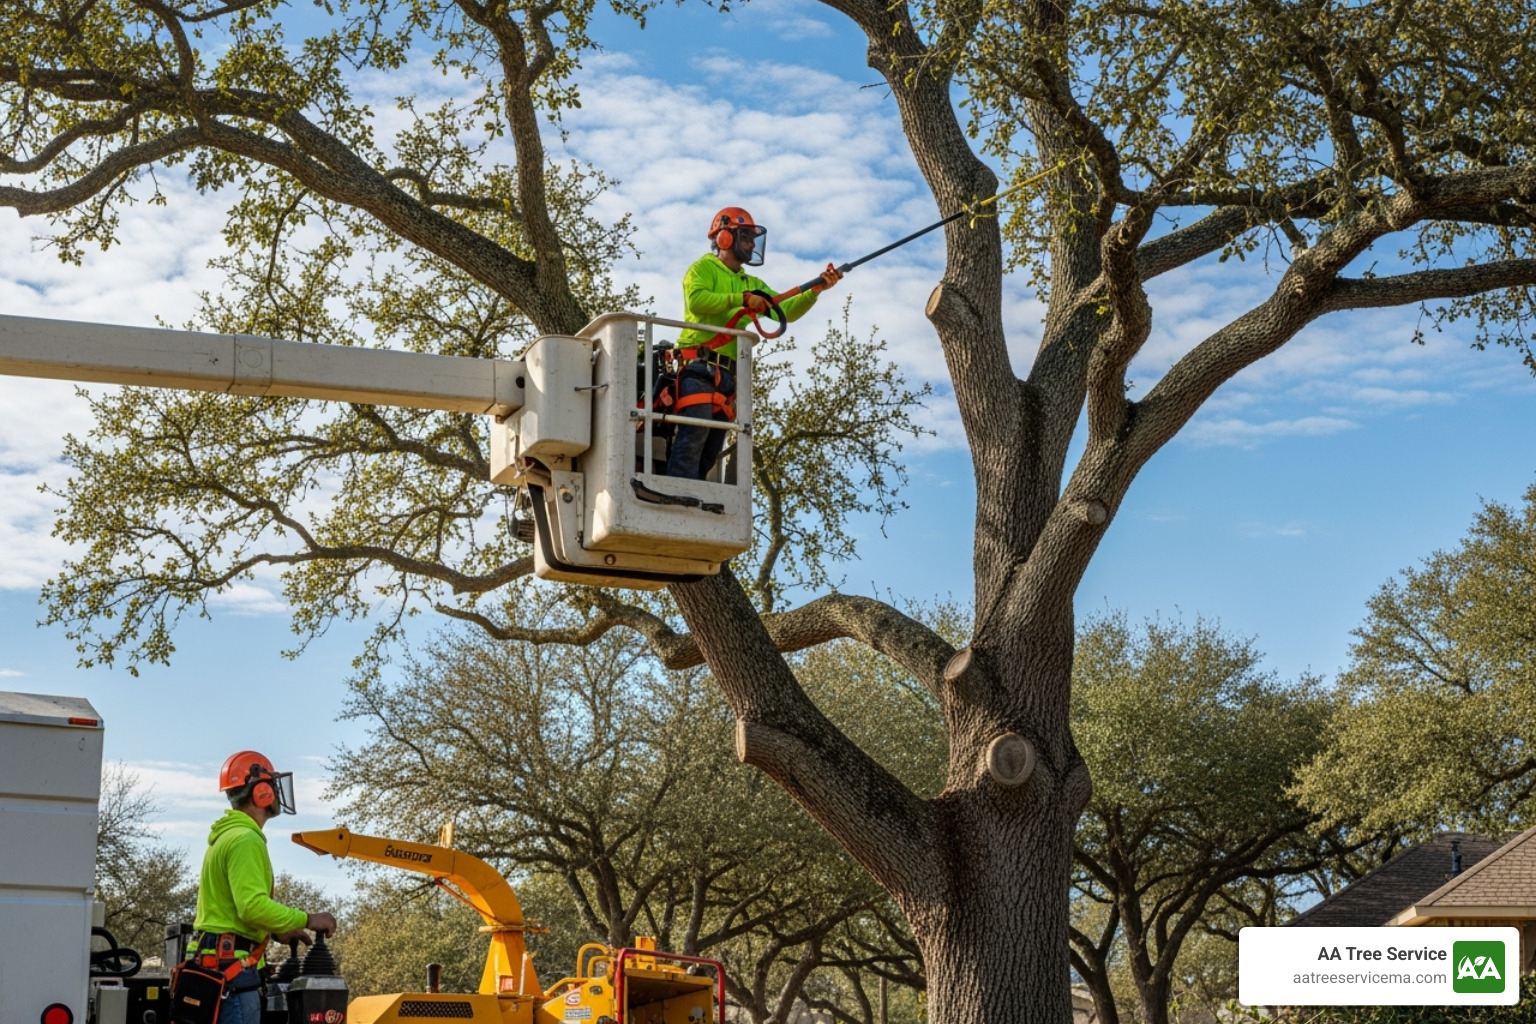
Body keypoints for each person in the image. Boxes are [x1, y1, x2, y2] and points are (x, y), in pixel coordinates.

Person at [664, 207, 842, 479]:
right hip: (697, 367)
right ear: (724, 238)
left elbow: (786, 311)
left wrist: (816, 290)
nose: (750, 244)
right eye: (745, 237)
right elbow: (698, 302)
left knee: (712, 445)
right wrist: (742, 300)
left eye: (751, 239)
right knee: (694, 432)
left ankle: (692, 495)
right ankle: (677, 489)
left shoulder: (751, 282)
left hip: (727, 376)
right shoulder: (703, 268)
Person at [180, 750, 337, 1024]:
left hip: (218, 969)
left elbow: (230, 913)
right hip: (233, 978)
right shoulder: (245, 840)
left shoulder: (225, 837)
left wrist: (276, 930)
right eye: (273, 785)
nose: (276, 793)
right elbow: (251, 906)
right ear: (261, 792)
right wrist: (309, 919)